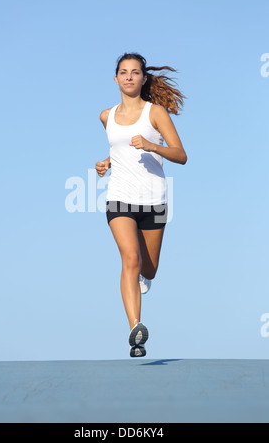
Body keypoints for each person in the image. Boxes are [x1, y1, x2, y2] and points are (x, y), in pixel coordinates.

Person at [95, 52, 187, 357]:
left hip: (154, 199)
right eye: (124, 72)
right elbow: (118, 148)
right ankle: (136, 328)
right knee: (130, 260)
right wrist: (107, 163)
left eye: (136, 72)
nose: (130, 77)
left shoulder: (156, 113)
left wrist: (150, 145)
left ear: (144, 78)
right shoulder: (106, 116)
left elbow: (180, 155)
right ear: (116, 78)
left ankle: (144, 279)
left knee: (149, 268)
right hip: (119, 197)